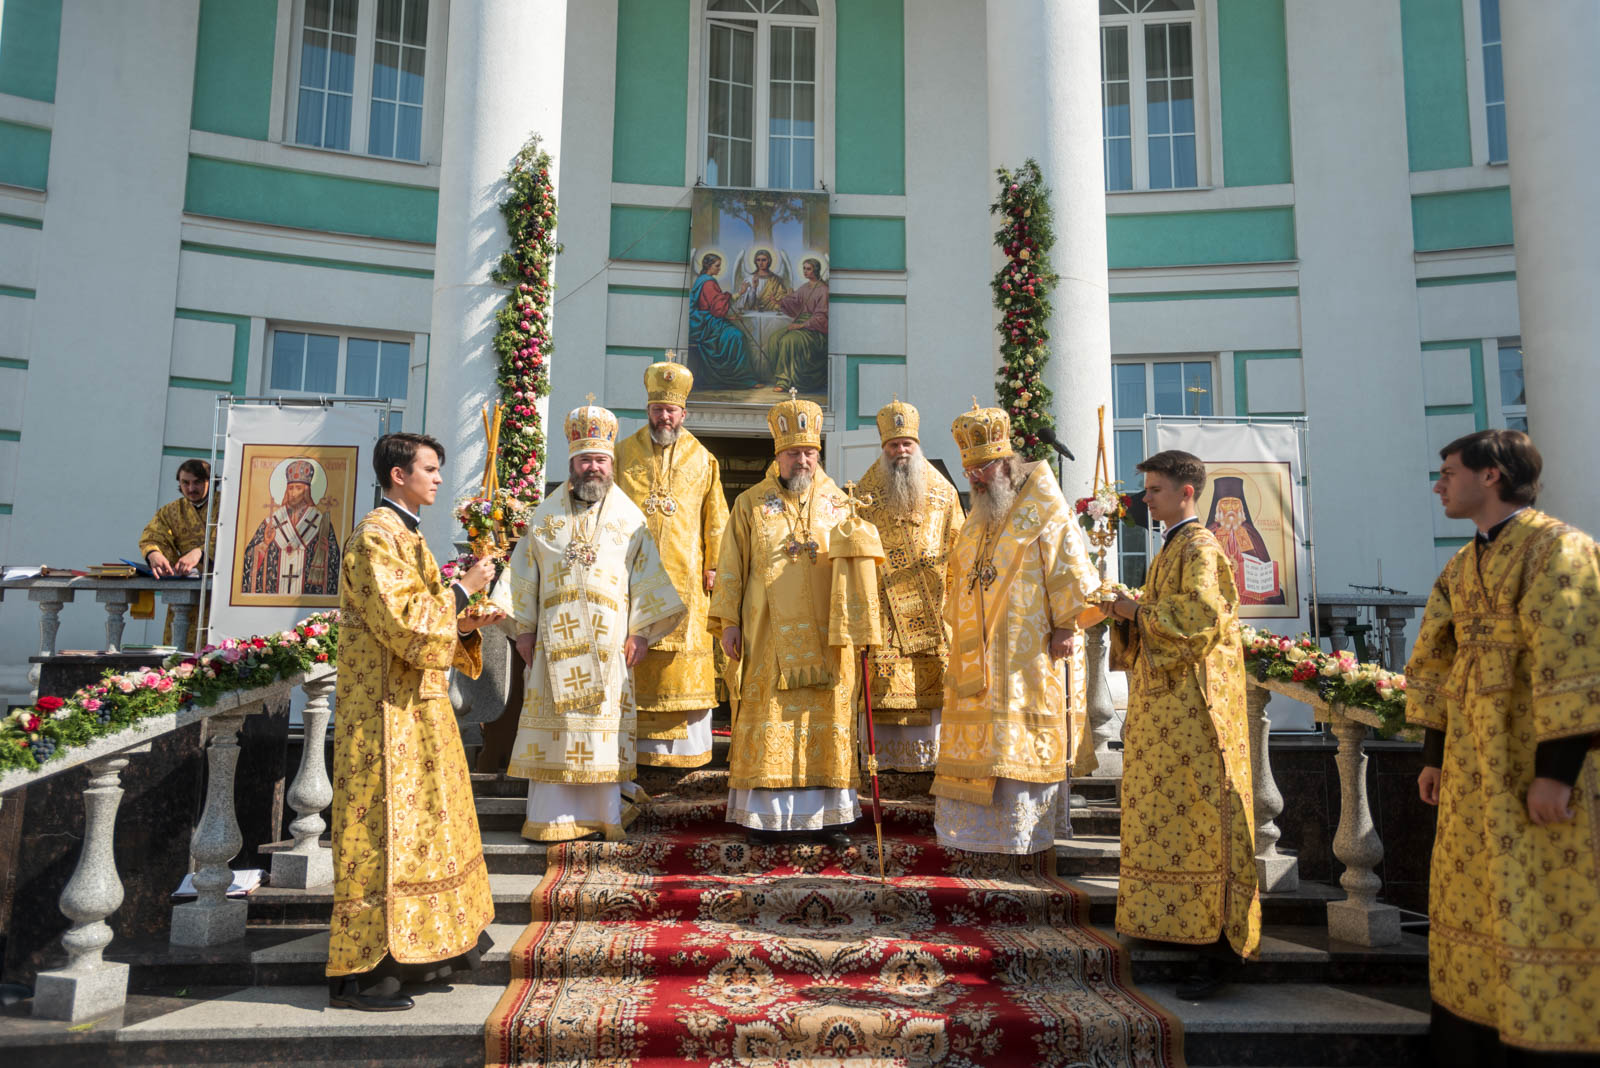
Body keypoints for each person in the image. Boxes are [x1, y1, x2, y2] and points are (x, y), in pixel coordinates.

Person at [1405, 429, 1599, 1065]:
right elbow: (1434, 658)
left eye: (1448, 472)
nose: (1438, 485)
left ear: (1491, 475)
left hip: (1531, 762)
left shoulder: (1559, 549)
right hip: (1468, 763)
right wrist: (1434, 752)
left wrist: (1557, 772)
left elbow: (1576, 659)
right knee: (1474, 897)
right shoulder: (1461, 565)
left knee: (1542, 896)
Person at [327, 432, 501, 1012]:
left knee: (428, 831)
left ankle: (428, 950)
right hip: (382, 717)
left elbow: (430, 620)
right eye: (429, 468)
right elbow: (403, 621)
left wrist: (469, 620)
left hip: (416, 709)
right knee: (384, 836)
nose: (438, 479)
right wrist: (462, 588)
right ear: (398, 475)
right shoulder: (375, 537)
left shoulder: (407, 534)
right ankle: (372, 968)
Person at [1108, 449, 1260, 1001]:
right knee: (1171, 818)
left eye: (1153, 489)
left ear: (1186, 492)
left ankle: (1215, 950)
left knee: (1201, 819)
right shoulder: (1173, 543)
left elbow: (1200, 619)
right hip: (1167, 711)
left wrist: (1136, 612)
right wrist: (1135, 606)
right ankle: (1180, 928)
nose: (1145, 498)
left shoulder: (1199, 545)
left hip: (1195, 714)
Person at [502, 398, 685, 842]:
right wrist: (523, 629)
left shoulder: (630, 518)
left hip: (609, 648)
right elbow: (522, 577)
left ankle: (605, 815)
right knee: (558, 732)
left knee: (600, 735)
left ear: (611, 463)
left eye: (601, 459)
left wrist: (641, 632)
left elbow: (648, 579)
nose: (593, 468)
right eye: (585, 460)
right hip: (552, 648)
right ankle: (551, 819)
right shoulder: (544, 518)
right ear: (572, 462)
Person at [933, 402, 1100, 854]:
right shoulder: (980, 516)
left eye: (982, 468)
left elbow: (1069, 566)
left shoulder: (1044, 506)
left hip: (1031, 648)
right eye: (969, 470)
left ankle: (1024, 835)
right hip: (979, 652)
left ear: (1005, 463)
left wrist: (1067, 624)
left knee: (1017, 743)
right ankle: (979, 835)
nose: (974, 478)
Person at [711, 392, 868, 847]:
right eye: (794, 452)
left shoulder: (842, 505)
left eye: (809, 451)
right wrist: (728, 623)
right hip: (766, 637)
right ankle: (765, 818)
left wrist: (859, 626)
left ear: (818, 453)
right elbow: (731, 565)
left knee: (825, 718)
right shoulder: (750, 504)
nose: (802, 460)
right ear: (777, 454)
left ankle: (829, 818)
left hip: (827, 637)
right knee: (769, 719)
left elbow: (857, 571)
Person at [614, 357, 729, 769]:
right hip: (630, 577)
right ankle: (632, 751)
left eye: (671, 410)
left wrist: (715, 565)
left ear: (684, 413)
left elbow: (717, 519)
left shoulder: (704, 458)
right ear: (648, 410)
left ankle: (687, 755)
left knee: (682, 667)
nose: (664, 416)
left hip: (687, 579)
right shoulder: (622, 453)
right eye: (657, 409)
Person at [854, 398, 964, 773]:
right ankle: (881, 770)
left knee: (931, 699)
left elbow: (959, 550)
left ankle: (929, 768)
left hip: (934, 617)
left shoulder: (944, 493)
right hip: (884, 618)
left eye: (907, 444)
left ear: (917, 446)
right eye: (893, 445)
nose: (900, 451)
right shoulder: (864, 493)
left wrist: (954, 609)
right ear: (883, 448)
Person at [138, 458, 217, 646]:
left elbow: (235, 538)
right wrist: (154, 554)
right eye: (185, 483)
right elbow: (152, 536)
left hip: (219, 591)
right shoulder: (170, 511)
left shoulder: (229, 506)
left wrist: (200, 552)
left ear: (210, 481)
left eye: (197, 482)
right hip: (185, 588)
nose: (191, 488)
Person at [238, 456, 341, 596]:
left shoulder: (321, 522)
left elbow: (336, 562)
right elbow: (248, 558)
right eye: (290, 488)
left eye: (298, 488)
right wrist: (264, 544)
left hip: (307, 596)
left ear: (307, 491)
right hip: (274, 595)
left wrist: (324, 553)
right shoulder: (271, 521)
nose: (293, 493)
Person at [688, 252, 757, 390]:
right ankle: (740, 379)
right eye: (717, 266)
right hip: (707, 324)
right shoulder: (708, 282)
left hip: (706, 320)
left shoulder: (702, 280)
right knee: (737, 337)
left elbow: (714, 307)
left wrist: (729, 316)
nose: (719, 269)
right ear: (709, 266)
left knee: (735, 335)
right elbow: (718, 308)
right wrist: (741, 292)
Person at [769, 257, 828, 395]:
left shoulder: (824, 290)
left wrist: (801, 325)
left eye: (808, 269)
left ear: (816, 270)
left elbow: (821, 317)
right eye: (804, 268)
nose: (805, 272)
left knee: (788, 341)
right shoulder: (805, 287)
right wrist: (779, 302)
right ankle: (778, 375)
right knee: (774, 338)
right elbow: (794, 302)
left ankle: (784, 381)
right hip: (801, 322)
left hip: (815, 329)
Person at [734, 247, 790, 313]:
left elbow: (782, 297)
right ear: (755, 261)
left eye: (764, 260)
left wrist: (778, 300)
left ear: (769, 261)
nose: (760, 263)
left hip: (771, 314)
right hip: (753, 313)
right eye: (758, 260)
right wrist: (754, 289)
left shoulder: (776, 280)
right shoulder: (749, 279)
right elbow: (747, 303)